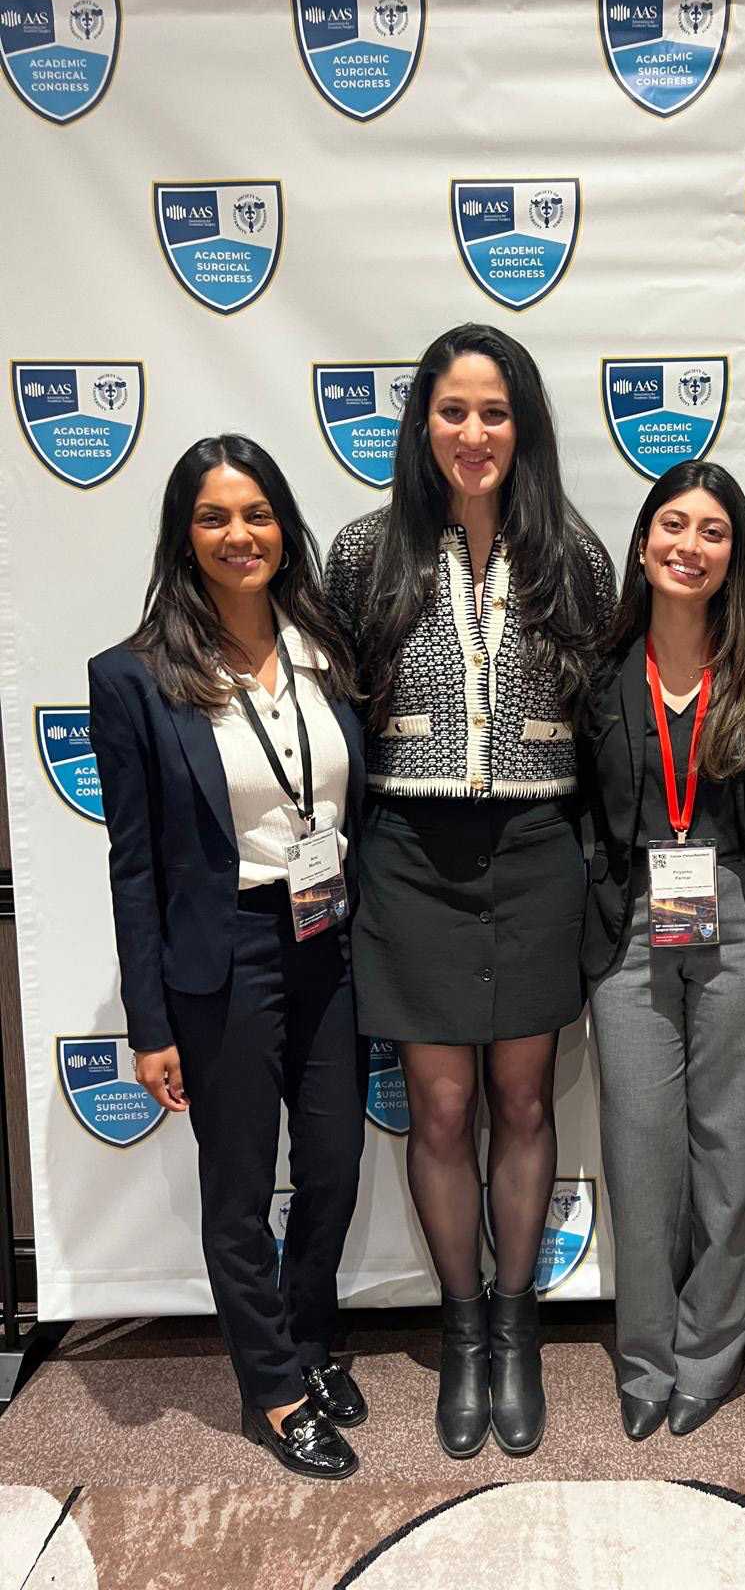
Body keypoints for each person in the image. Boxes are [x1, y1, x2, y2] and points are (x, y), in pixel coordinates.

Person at [325, 322, 616, 1459]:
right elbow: (338, 711)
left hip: (537, 848)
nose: (474, 432)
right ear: (422, 423)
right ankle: (460, 1325)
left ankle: (517, 1326)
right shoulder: (364, 552)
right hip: (411, 851)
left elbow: (601, 727)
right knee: (441, 1108)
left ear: (525, 425)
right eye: (454, 410)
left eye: (495, 412)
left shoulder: (574, 558)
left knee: (528, 1104)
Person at [89, 435, 368, 1480]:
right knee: (240, 1189)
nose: (239, 534)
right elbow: (132, 868)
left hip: (326, 938)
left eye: (256, 513)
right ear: (185, 536)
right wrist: (149, 1021)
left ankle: (310, 1335)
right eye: (215, 517)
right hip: (226, 959)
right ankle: (278, 1385)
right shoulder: (132, 678)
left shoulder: (327, 650)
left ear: (285, 528)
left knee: (335, 1169)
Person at [578, 460, 745, 1441]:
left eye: (714, 531)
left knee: (730, 1144)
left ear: (735, 555)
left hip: (742, 922)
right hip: (633, 927)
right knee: (641, 1144)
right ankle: (645, 1356)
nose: (691, 544)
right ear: (642, 542)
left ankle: (710, 1352)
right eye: (675, 524)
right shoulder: (597, 672)